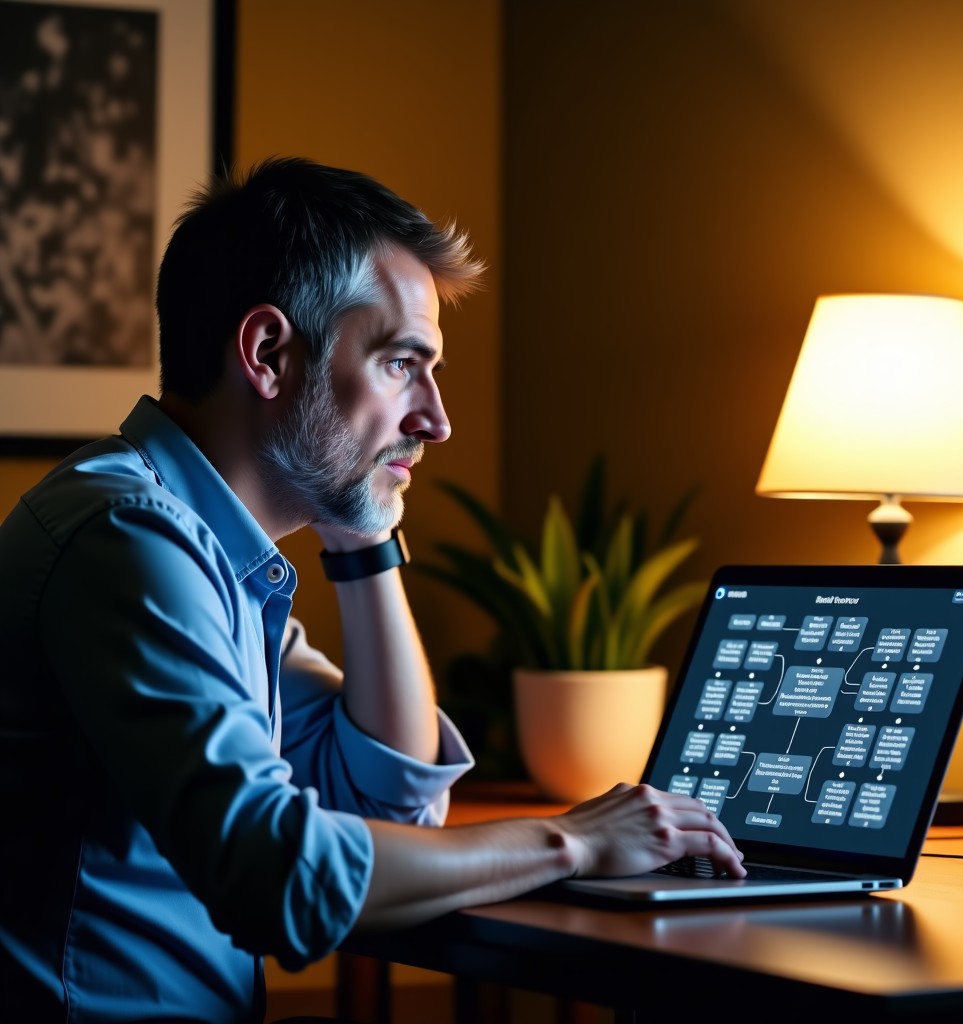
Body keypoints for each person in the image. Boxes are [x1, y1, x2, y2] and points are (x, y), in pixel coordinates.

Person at [0, 157, 745, 1023]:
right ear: (269, 353)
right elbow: (277, 877)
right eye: (402, 363)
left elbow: (391, 800)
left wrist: (363, 539)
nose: (437, 417)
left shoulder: (210, 555)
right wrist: (573, 840)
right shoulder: (129, 541)